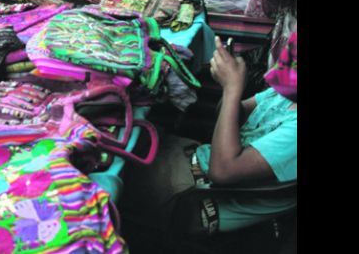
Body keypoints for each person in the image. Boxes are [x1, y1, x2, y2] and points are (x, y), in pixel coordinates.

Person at [122, 32, 297, 235]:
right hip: (195, 163)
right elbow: (233, 115)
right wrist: (230, 84)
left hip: (197, 199)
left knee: (100, 176)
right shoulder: (287, 91)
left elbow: (223, 171)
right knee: (123, 135)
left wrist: (232, 88)